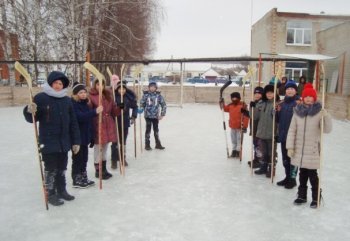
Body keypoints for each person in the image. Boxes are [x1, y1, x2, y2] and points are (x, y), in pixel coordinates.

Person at [23, 71, 80, 206]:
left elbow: (73, 122)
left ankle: (62, 190)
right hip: (48, 141)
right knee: (50, 169)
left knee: (62, 168)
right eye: (55, 83)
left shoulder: (67, 100)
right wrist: (29, 110)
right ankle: (50, 193)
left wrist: (76, 141)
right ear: (50, 83)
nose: (58, 86)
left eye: (60, 83)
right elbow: (32, 119)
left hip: (64, 142)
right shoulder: (41, 98)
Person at [286, 83, 332, 208]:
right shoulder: (297, 112)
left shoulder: (319, 112)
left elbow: (327, 130)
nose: (308, 99)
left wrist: (326, 116)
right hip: (299, 150)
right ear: (302, 98)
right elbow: (292, 130)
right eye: (306, 96)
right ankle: (302, 195)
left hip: (312, 150)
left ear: (314, 98)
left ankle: (316, 197)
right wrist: (290, 147)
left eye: (311, 97)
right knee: (302, 174)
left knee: (313, 176)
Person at [71, 82, 103, 188]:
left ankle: (83, 176)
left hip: (85, 137)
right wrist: (95, 111)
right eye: (81, 92)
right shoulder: (73, 104)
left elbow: (89, 122)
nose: (84, 94)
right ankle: (76, 179)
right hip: (77, 137)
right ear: (76, 94)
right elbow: (80, 117)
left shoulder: (85, 104)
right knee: (77, 159)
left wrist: (92, 136)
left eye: (85, 92)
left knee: (84, 158)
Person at [89, 78, 120, 179]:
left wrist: (119, 107)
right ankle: (98, 171)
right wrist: (96, 111)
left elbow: (114, 112)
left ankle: (104, 169)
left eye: (102, 85)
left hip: (108, 125)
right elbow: (89, 111)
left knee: (105, 148)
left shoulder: (108, 96)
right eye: (98, 85)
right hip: (98, 124)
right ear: (95, 85)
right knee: (98, 148)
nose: (100, 87)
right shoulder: (91, 96)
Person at [276, 80, 300, 189]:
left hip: (294, 137)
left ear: (295, 91)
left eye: (292, 89)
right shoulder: (281, 103)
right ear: (285, 91)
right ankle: (287, 177)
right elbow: (276, 119)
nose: (290, 91)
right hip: (283, 135)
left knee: (293, 159)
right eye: (288, 89)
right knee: (285, 159)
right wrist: (275, 111)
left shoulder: (298, 104)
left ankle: (292, 179)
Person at [110, 81, 138, 169]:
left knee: (123, 142)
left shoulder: (129, 98)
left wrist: (133, 116)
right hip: (115, 122)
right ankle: (114, 160)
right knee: (115, 142)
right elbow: (110, 109)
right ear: (117, 89)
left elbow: (135, 107)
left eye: (123, 89)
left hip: (125, 122)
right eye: (120, 89)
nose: (121, 90)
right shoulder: (113, 97)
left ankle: (122, 158)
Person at [254, 84, 279, 177]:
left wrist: (277, 133)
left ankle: (271, 168)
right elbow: (254, 117)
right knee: (263, 152)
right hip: (261, 132)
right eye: (267, 92)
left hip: (271, 133)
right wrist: (254, 107)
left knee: (271, 153)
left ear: (275, 93)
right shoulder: (261, 103)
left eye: (271, 92)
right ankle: (263, 167)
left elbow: (279, 120)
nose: (269, 94)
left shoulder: (277, 104)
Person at [220, 92, 249, 158]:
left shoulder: (243, 105)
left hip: (240, 127)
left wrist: (245, 126)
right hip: (232, 126)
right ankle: (234, 150)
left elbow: (246, 117)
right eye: (233, 98)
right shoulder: (230, 105)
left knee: (239, 139)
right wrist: (221, 102)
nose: (234, 99)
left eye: (236, 98)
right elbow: (224, 108)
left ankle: (238, 151)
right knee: (233, 139)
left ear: (239, 98)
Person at [139, 81, 167, 150]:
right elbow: (142, 103)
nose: (152, 88)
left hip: (155, 116)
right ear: (149, 87)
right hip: (148, 116)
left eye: (154, 87)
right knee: (148, 130)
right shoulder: (145, 95)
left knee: (156, 130)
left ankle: (158, 144)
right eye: (151, 87)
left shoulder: (159, 96)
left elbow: (164, 105)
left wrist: (162, 114)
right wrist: (141, 109)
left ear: (156, 88)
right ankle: (147, 144)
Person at [248, 86, 264, 168]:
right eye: (256, 93)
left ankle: (260, 160)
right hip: (253, 127)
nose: (257, 95)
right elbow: (251, 115)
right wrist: (250, 107)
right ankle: (256, 158)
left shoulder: (262, 103)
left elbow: (257, 116)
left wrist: (254, 107)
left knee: (259, 144)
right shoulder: (255, 102)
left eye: (259, 94)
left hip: (259, 127)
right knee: (255, 143)